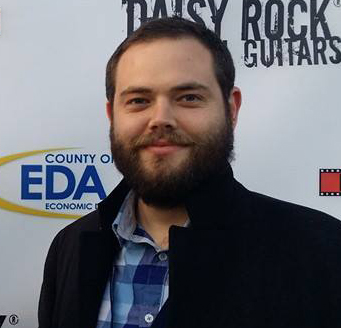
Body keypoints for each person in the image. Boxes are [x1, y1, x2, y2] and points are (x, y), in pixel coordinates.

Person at [38, 17, 341, 328]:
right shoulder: (70, 247)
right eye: (139, 101)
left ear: (231, 109)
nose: (161, 119)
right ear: (112, 115)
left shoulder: (323, 252)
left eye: (189, 98)